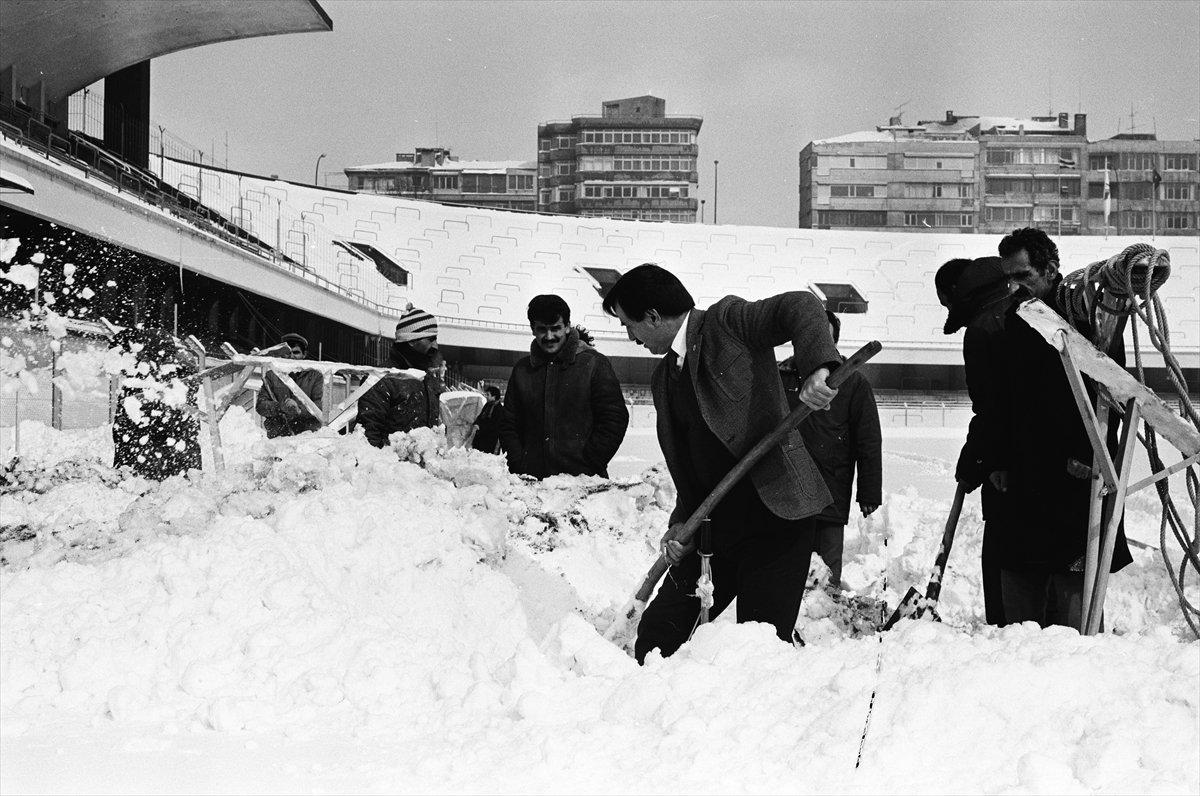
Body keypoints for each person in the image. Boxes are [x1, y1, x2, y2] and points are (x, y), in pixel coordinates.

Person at [602, 264, 840, 664]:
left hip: (776, 520)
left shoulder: (727, 323)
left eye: (630, 325)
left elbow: (801, 305)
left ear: (654, 316)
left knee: (758, 647)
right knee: (658, 638)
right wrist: (681, 524)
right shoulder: (663, 379)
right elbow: (691, 466)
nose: (630, 336)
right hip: (714, 528)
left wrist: (818, 367)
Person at [962, 229, 1131, 629]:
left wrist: (1092, 457)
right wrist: (998, 459)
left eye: (1024, 276)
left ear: (1050, 269)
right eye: (1009, 278)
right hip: (1025, 472)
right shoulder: (1012, 322)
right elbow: (1002, 402)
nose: (1015, 286)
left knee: (1075, 593)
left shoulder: (1088, 319)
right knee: (1019, 581)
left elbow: (1115, 395)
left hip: (1076, 475)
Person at [938, 256, 1020, 626]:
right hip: (1031, 456)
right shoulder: (1010, 307)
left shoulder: (984, 328)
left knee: (1004, 553)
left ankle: (1003, 627)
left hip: (1008, 465)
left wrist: (979, 459)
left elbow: (992, 406)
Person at [788, 309, 882, 587]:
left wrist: (869, 491)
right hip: (786, 493)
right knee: (786, 567)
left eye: (823, 339)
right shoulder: (780, 376)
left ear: (834, 344)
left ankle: (825, 620)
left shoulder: (854, 383)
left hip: (830, 489)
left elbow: (868, 440)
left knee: (826, 573)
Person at [499, 294, 629, 478]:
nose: (549, 336)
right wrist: (519, 462)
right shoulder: (522, 370)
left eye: (556, 328)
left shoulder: (594, 363)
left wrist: (590, 461)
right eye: (542, 329)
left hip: (583, 481)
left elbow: (614, 419)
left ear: (567, 326)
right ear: (533, 329)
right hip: (532, 481)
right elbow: (509, 424)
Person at [111, 326, 202, 480]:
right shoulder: (173, 376)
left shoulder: (159, 381)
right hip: (175, 463)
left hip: (157, 463)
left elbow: (131, 428)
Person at [357, 306, 445, 448]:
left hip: (424, 466)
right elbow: (368, 438)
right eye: (430, 339)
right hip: (392, 467)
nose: (435, 345)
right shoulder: (381, 378)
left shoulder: (427, 378)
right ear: (411, 340)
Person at [255, 332, 323, 438]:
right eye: (287, 352)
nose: (291, 357)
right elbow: (260, 406)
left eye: (296, 353)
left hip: (307, 438)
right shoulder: (271, 376)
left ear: (304, 354)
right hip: (279, 439)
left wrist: (299, 410)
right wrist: (280, 407)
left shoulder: (316, 376)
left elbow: (321, 405)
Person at [471, 385, 507, 454]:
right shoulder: (487, 405)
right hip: (482, 437)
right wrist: (476, 423)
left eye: (488, 395)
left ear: (494, 396)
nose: (486, 396)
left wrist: (481, 427)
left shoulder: (499, 409)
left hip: (491, 440)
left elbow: (495, 426)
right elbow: (480, 416)